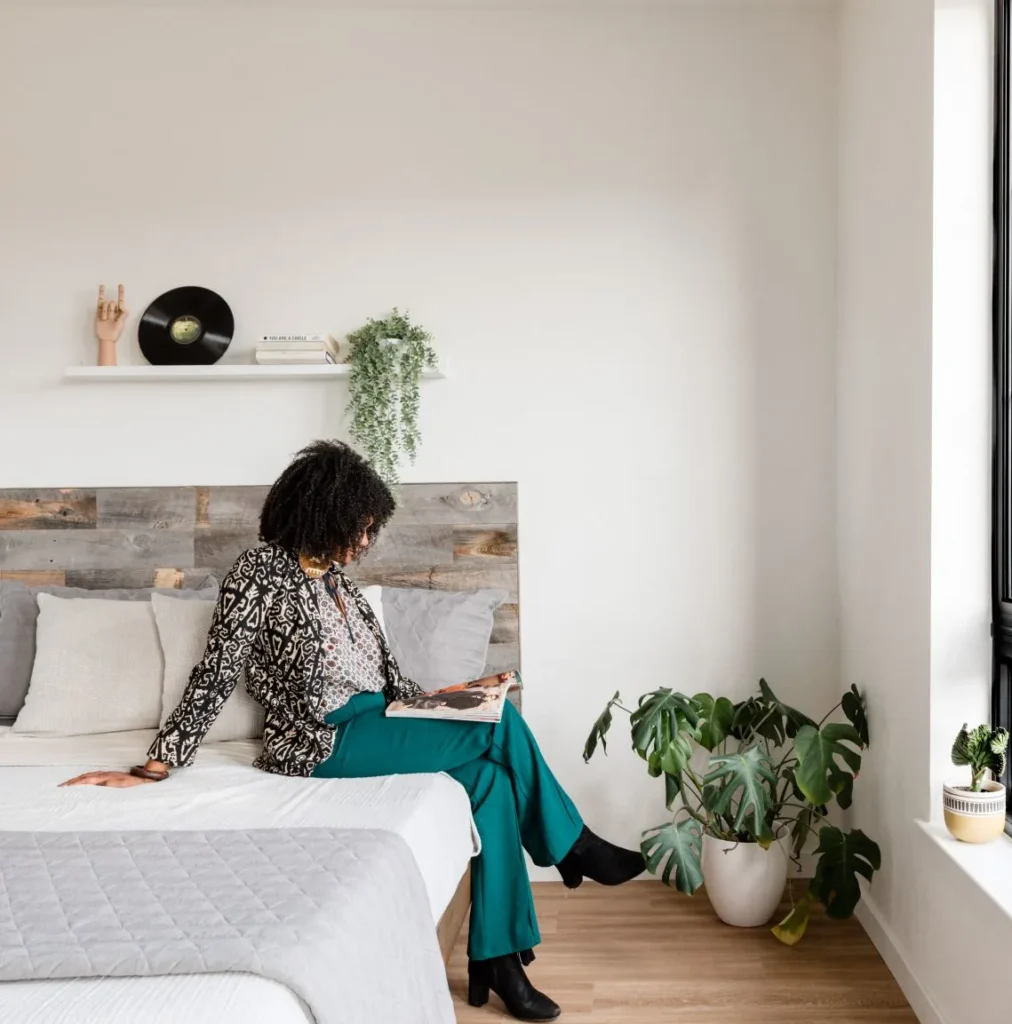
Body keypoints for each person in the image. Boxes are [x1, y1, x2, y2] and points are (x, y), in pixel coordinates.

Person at [61, 440, 644, 1022]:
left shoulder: (343, 586)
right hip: (321, 740)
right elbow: (217, 669)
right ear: (324, 514)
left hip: (379, 718)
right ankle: (573, 847)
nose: (365, 542)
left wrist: (459, 695)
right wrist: (155, 765)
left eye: (371, 530)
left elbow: (390, 680)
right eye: (360, 529)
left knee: (490, 779)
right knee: (503, 724)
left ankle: (500, 963)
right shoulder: (258, 572)